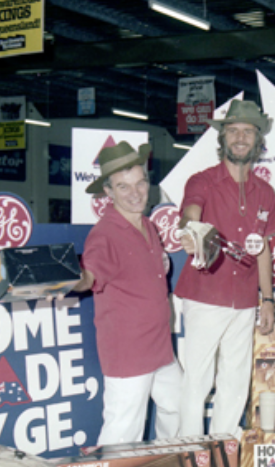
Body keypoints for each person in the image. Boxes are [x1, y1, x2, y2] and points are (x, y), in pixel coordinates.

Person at [62, 142, 182, 446]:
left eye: (140, 183)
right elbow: (88, 278)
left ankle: (167, 465)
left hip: (159, 344)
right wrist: (65, 276)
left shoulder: (148, 226)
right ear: (109, 192)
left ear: (148, 183)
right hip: (128, 351)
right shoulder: (104, 235)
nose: (134, 192)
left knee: (179, 405)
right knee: (123, 430)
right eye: (122, 186)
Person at [175, 99, 275, 445]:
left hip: (246, 300)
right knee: (198, 382)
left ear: (257, 139)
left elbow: (263, 247)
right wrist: (192, 231)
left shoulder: (266, 192)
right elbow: (190, 214)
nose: (239, 138)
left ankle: (222, 459)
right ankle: (193, 458)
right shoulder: (202, 181)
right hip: (205, 294)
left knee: (235, 382)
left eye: (247, 132)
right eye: (233, 131)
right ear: (223, 138)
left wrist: (267, 299)